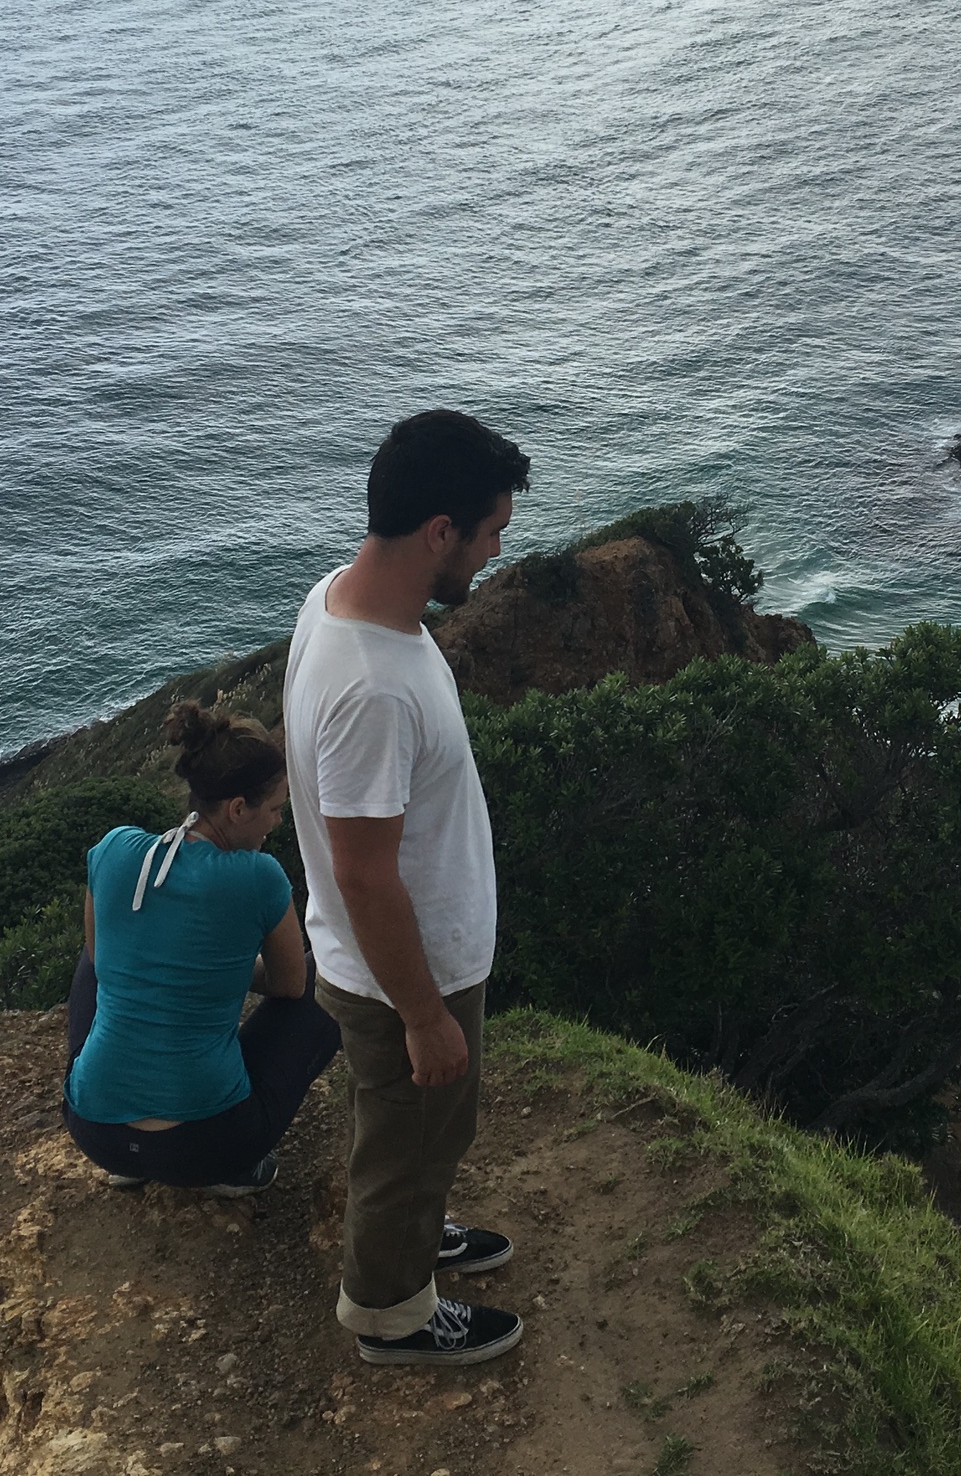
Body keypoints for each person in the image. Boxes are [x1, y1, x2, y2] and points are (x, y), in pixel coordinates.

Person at [284, 408, 531, 1367]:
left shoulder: (335, 600)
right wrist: (425, 1013)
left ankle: (419, 1236)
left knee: (415, 1129)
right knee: (409, 1137)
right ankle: (389, 1310)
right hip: (404, 972)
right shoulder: (374, 686)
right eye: (492, 530)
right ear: (441, 532)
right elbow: (361, 868)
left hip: (390, 958)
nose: (497, 549)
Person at [62, 703, 342, 1195]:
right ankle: (238, 1172)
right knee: (334, 974)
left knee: (97, 956)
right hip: (210, 1147)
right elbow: (289, 984)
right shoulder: (258, 876)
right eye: (275, 808)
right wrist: (231, 968)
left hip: (94, 1131)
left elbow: (102, 961)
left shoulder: (113, 849)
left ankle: (128, 1162)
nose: (277, 822)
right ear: (237, 808)